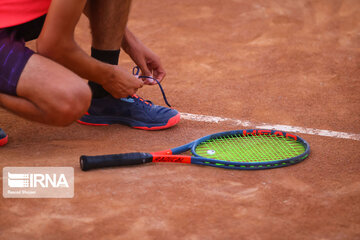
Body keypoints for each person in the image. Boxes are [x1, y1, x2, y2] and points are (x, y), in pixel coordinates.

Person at [0, 0, 180, 146]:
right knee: (70, 100)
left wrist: (131, 43)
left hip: (18, 17)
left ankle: (103, 96)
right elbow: (53, 47)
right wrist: (110, 76)